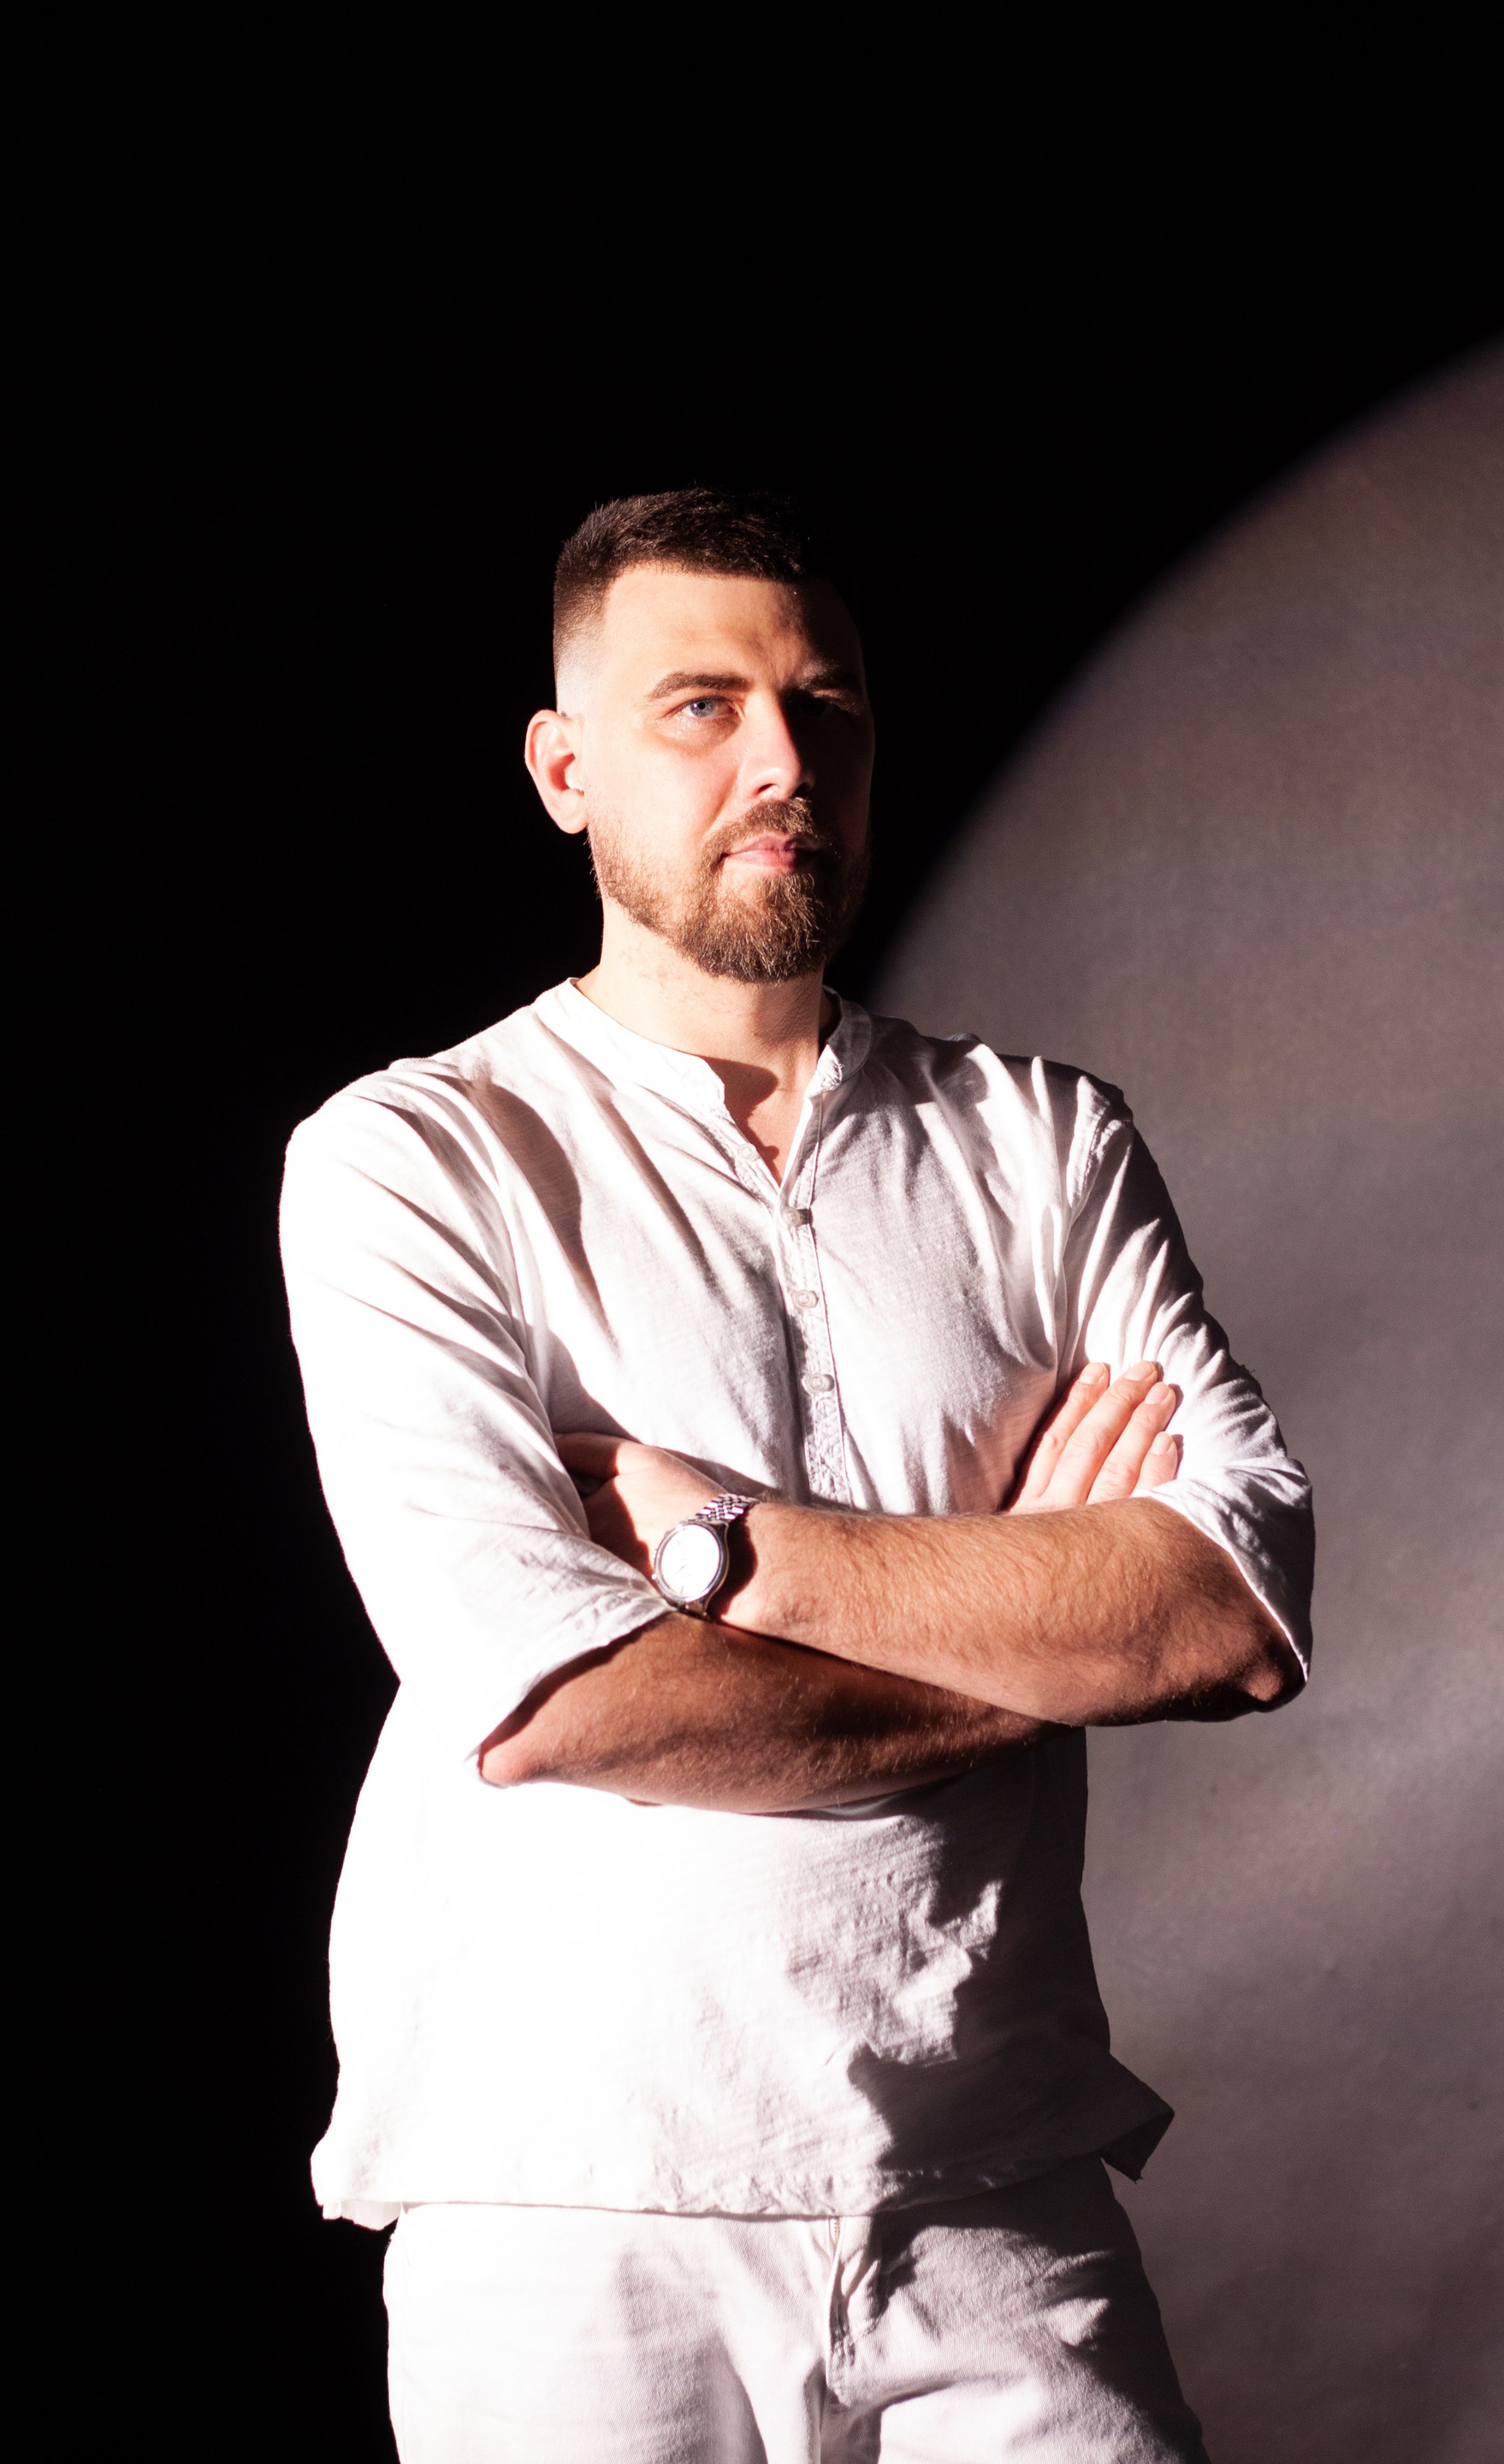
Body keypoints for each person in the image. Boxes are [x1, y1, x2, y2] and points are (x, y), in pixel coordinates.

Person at [281, 488, 1313, 2461]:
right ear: (564, 771)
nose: (781, 761)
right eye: (701, 707)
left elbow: (1231, 1612)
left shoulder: (1043, 1141)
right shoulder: (415, 1162)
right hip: (570, 2207)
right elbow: (562, 1699)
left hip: (995, 2185)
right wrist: (1032, 1637)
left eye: (824, 707)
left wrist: (728, 1551)